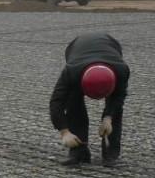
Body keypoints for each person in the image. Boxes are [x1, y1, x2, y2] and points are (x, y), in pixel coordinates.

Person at [49, 33, 130, 166]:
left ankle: (110, 155)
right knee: (73, 101)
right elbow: (56, 103)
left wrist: (108, 118)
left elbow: (118, 97)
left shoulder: (121, 70)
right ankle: (78, 152)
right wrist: (64, 132)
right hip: (76, 49)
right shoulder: (71, 72)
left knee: (115, 110)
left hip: (111, 45)